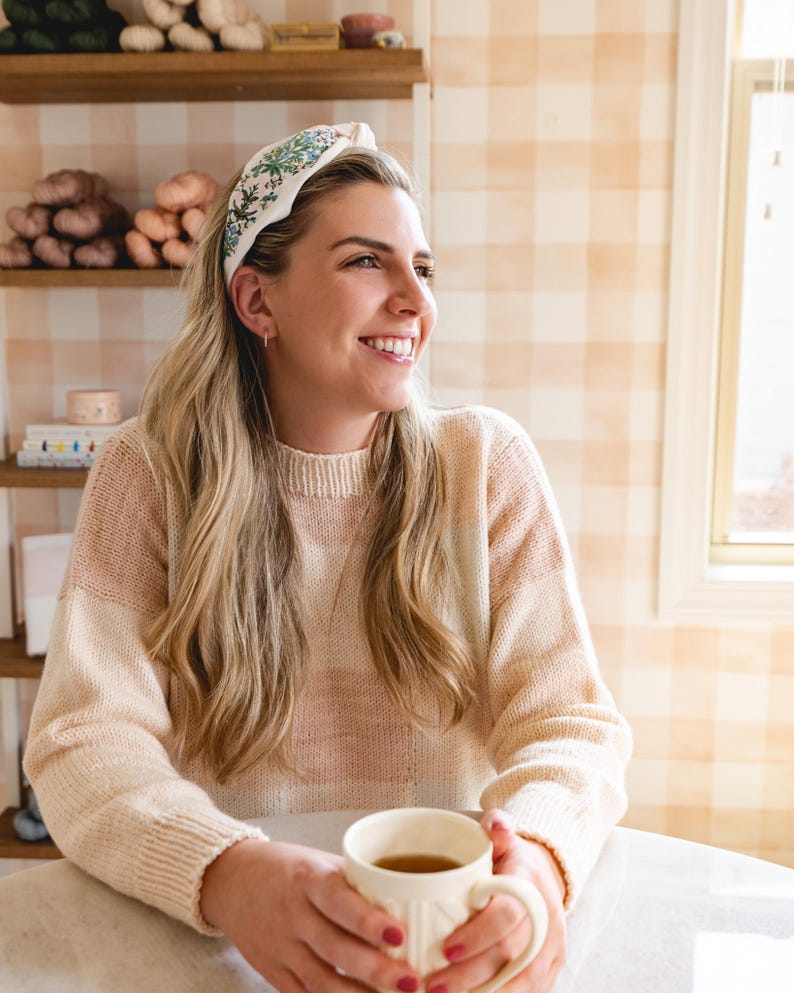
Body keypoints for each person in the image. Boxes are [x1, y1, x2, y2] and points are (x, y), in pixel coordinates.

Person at [24, 122, 632, 993]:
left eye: (421, 268)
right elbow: (82, 740)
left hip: (439, 954)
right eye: (364, 261)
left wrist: (537, 855)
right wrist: (224, 870)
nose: (415, 302)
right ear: (256, 302)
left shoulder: (485, 464)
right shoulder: (149, 474)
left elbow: (571, 726)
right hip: (226, 953)